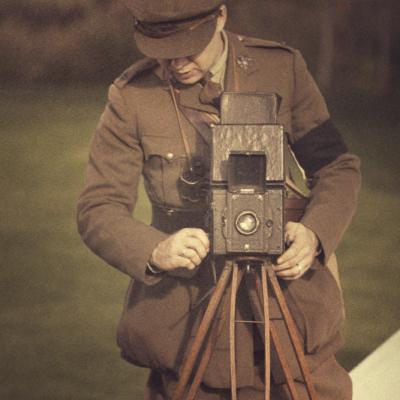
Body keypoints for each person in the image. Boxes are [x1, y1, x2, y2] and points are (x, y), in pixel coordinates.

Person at [76, 1, 361, 399]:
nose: (175, 62)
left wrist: (314, 235)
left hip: (288, 312)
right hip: (190, 325)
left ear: (221, 16)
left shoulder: (281, 68)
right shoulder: (131, 96)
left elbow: (336, 167)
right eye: (162, 49)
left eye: (189, 45)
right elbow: (98, 207)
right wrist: (156, 250)